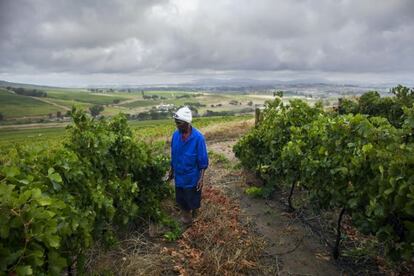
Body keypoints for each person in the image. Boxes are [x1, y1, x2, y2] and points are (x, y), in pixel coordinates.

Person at [167, 106, 209, 224]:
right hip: (179, 177)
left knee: (193, 200)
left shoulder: (198, 138)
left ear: (187, 123)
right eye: (176, 123)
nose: (177, 126)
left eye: (179, 123)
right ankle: (186, 217)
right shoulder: (175, 135)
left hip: (192, 178)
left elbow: (203, 161)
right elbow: (174, 154)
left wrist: (201, 179)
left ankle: (195, 218)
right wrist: (171, 170)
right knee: (181, 200)